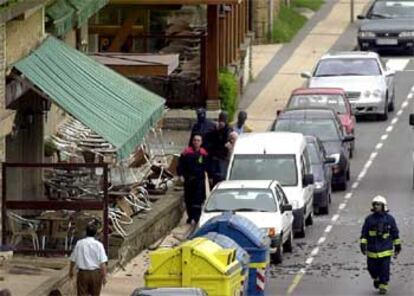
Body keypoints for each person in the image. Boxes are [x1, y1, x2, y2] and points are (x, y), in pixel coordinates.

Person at [360, 195, 401, 295]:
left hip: (385, 250)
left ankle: (383, 285)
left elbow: (395, 233)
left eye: (378, 204)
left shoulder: (390, 219)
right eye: (375, 204)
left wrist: (397, 246)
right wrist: (362, 244)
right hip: (372, 251)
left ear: (383, 206)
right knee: (371, 268)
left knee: (384, 269)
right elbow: (364, 233)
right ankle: (376, 278)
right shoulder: (369, 219)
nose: (376, 206)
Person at [178, 133, 209, 224]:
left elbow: (207, 166)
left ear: (201, 142)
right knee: (189, 199)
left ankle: (196, 217)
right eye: (195, 140)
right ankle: (190, 216)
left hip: (199, 180)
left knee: (198, 200)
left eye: (198, 141)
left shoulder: (204, 153)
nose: (196, 142)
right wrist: (180, 175)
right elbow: (180, 165)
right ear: (192, 141)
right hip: (188, 180)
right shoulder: (186, 152)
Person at [69, 223, 108, 296]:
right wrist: (104, 276)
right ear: (96, 233)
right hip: (95, 273)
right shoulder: (99, 245)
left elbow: (73, 259)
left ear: (86, 232)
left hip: (83, 273)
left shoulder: (79, 243)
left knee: (82, 293)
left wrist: (71, 271)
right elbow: (103, 263)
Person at [208, 111, 233, 187]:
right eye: (220, 120)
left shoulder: (228, 129)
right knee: (213, 174)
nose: (221, 122)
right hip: (214, 154)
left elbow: (227, 141)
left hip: (222, 156)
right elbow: (212, 139)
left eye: (223, 120)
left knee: (221, 175)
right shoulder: (215, 128)